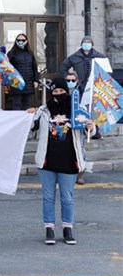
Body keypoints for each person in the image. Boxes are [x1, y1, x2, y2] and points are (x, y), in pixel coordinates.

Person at [27, 77, 95, 245]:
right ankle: (49, 229)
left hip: (69, 160)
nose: (58, 94)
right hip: (47, 160)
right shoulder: (43, 110)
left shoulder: (77, 109)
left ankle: (67, 229)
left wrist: (91, 128)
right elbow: (31, 127)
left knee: (67, 197)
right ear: (51, 93)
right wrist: (28, 115)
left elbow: (90, 132)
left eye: (61, 91)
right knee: (48, 197)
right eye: (55, 91)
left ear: (67, 91)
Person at [59, 36, 106, 140]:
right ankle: (81, 130)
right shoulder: (75, 57)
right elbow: (63, 66)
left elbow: (106, 70)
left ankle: (94, 132)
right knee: (81, 109)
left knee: (94, 110)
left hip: (94, 88)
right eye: (85, 42)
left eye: (89, 42)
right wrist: (67, 76)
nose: (87, 43)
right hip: (81, 87)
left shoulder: (99, 56)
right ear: (81, 43)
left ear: (92, 44)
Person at [6, 33, 39, 110]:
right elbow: (6, 67)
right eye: (19, 40)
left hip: (28, 83)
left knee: (27, 105)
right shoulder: (11, 53)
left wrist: (36, 80)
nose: (21, 41)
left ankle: (26, 122)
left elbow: (34, 68)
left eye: (23, 40)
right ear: (16, 41)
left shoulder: (30, 53)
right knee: (16, 105)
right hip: (16, 83)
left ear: (26, 41)